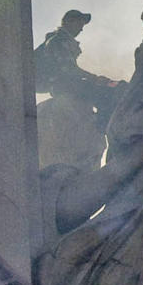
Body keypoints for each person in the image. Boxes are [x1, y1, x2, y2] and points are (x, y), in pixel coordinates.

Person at [34, 9, 122, 170]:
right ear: (68, 22)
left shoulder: (61, 41)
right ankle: (102, 125)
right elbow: (68, 69)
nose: (81, 28)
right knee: (107, 94)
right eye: (79, 23)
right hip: (64, 86)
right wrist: (95, 78)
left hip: (65, 84)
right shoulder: (58, 42)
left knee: (106, 89)